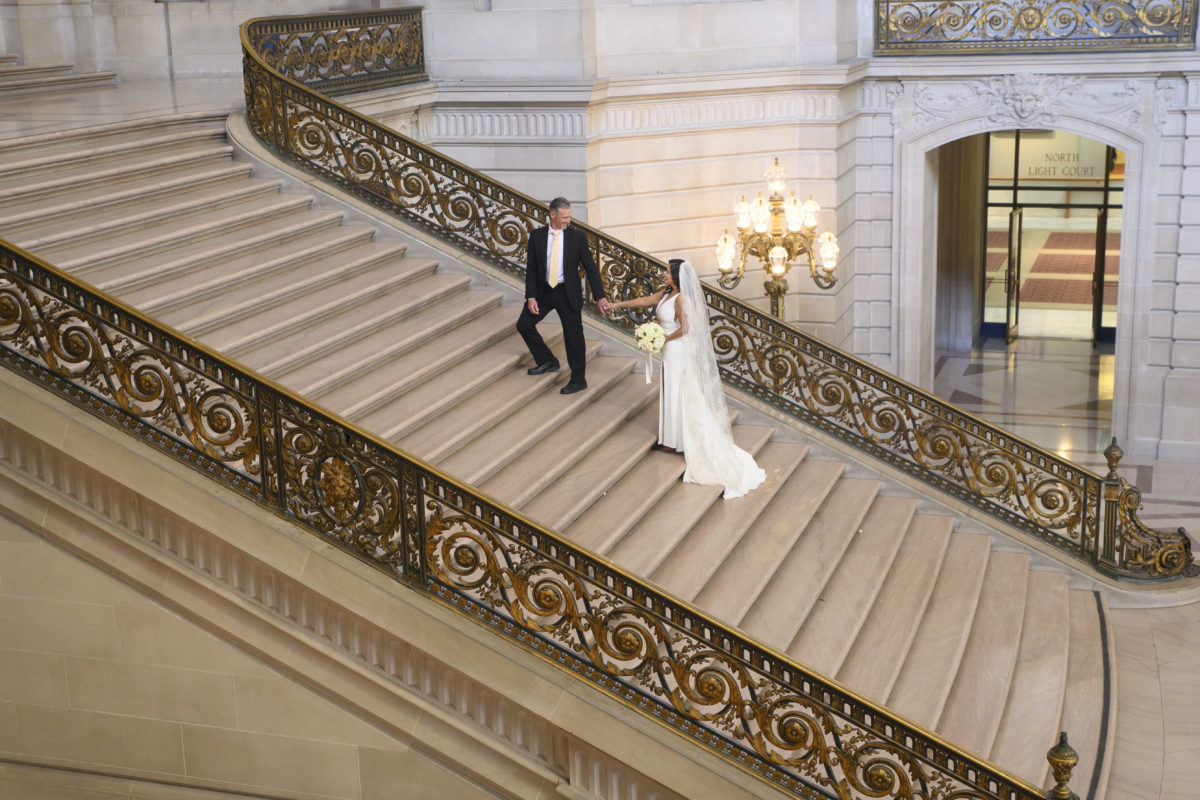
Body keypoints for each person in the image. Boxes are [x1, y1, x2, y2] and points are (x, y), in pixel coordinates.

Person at [607, 259, 765, 499]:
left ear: (676, 276)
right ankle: (671, 439)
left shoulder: (681, 299)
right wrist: (616, 304)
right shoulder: (666, 293)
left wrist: (661, 340)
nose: (663, 273)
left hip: (677, 349)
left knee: (679, 391)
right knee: (670, 390)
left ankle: (680, 441)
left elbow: (686, 328)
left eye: (667, 271)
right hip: (670, 349)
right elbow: (644, 301)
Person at [517, 197, 611, 394]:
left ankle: (578, 380)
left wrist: (600, 296)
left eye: (569, 217)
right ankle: (547, 360)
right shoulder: (537, 236)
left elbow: (591, 268)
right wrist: (531, 297)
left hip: (567, 293)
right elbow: (532, 269)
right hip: (544, 292)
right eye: (565, 217)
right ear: (552, 214)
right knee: (524, 324)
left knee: (573, 336)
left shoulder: (577, 237)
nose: (569, 221)